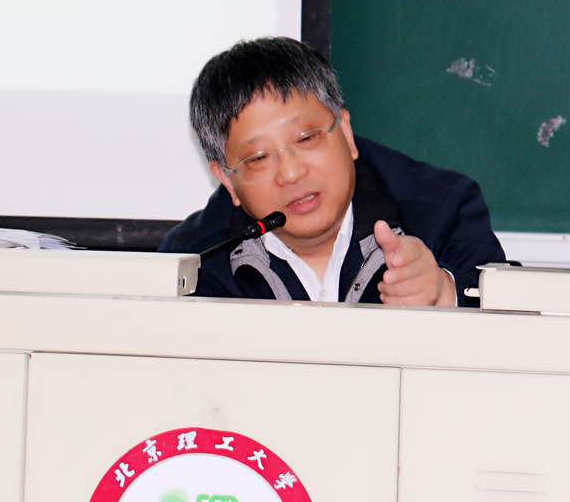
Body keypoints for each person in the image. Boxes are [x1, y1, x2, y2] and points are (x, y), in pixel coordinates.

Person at [159, 37, 505, 306]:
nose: (291, 173)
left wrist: (444, 292)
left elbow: (510, 319)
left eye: (306, 138)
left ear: (347, 133)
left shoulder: (441, 210)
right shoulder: (194, 261)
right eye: (259, 157)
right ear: (227, 181)